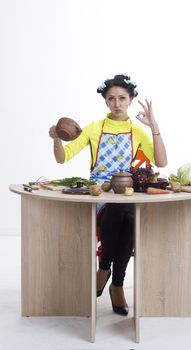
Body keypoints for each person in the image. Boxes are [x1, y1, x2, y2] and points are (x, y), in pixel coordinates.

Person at [49, 74, 167, 316]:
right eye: (111, 98)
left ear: (131, 99)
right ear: (105, 101)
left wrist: (154, 126)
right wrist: (57, 139)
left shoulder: (137, 130)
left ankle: (107, 273)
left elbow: (161, 162)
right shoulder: (93, 128)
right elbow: (62, 158)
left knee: (127, 213)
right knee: (121, 211)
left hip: (126, 191)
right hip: (100, 193)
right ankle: (116, 284)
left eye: (122, 98)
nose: (117, 103)